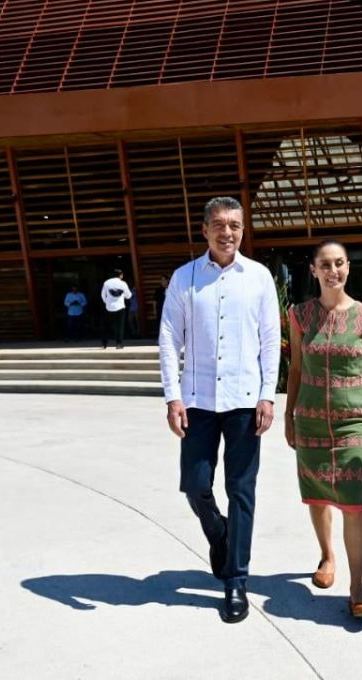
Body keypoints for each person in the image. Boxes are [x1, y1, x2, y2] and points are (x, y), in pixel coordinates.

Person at [159, 196, 280, 624]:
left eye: (234, 225)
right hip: (197, 401)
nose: (227, 232)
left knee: (242, 490)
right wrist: (172, 397)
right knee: (195, 484)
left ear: (242, 230)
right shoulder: (184, 278)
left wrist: (268, 395)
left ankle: (236, 580)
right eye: (219, 225)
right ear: (205, 229)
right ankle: (218, 532)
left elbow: (270, 340)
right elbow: (169, 338)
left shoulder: (260, 278)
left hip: (246, 401)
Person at [284, 240, 362, 619]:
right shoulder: (300, 315)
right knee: (317, 493)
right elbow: (295, 369)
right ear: (313, 270)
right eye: (325, 264)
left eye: (340, 263)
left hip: (353, 420)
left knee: (353, 501)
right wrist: (289, 414)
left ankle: (357, 587)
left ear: (347, 268)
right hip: (309, 417)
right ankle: (327, 555)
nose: (333, 271)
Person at [101, 269, 132, 349]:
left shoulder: (106, 283)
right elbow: (128, 295)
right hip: (120, 307)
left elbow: (103, 295)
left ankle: (104, 343)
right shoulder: (123, 283)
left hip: (109, 307)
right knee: (120, 326)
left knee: (106, 326)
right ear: (120, 275)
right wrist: (124, 296)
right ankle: (119, 344)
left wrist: (107, 302)